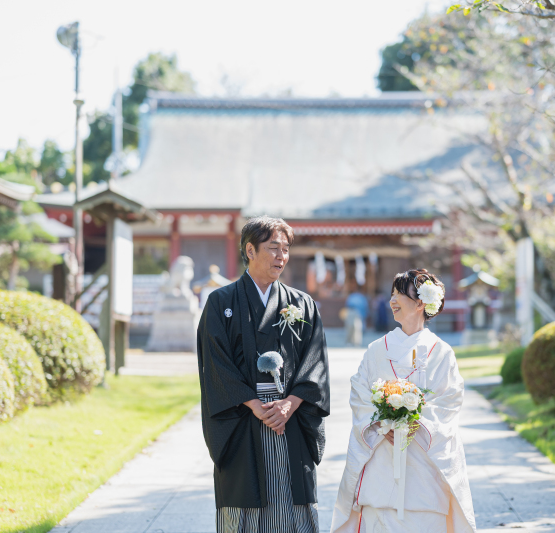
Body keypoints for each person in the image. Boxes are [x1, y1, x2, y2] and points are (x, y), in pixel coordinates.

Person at [196, 215, 330, 533]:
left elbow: (316, 362)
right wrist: (255, 404)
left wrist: (291, 403)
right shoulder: (220, 302)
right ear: (250, 251)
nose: (281, 256)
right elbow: (215, 364)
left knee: (292, 501)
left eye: (285, 249)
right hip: (242, 417)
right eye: (273, 248)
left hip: (291, 418)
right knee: (244, 502)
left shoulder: (302, 304)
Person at [331, 269, 477, 533]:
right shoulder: (377, 349)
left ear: (421, 303)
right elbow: (360, 392)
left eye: (400, 294)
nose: (392, 300)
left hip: (424, 459)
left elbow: (449, 399)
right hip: (381, 455)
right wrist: (383, 424)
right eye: (392, 294)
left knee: (424, 517)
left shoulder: (441, 352)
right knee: (380, 515)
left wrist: (413, 424)